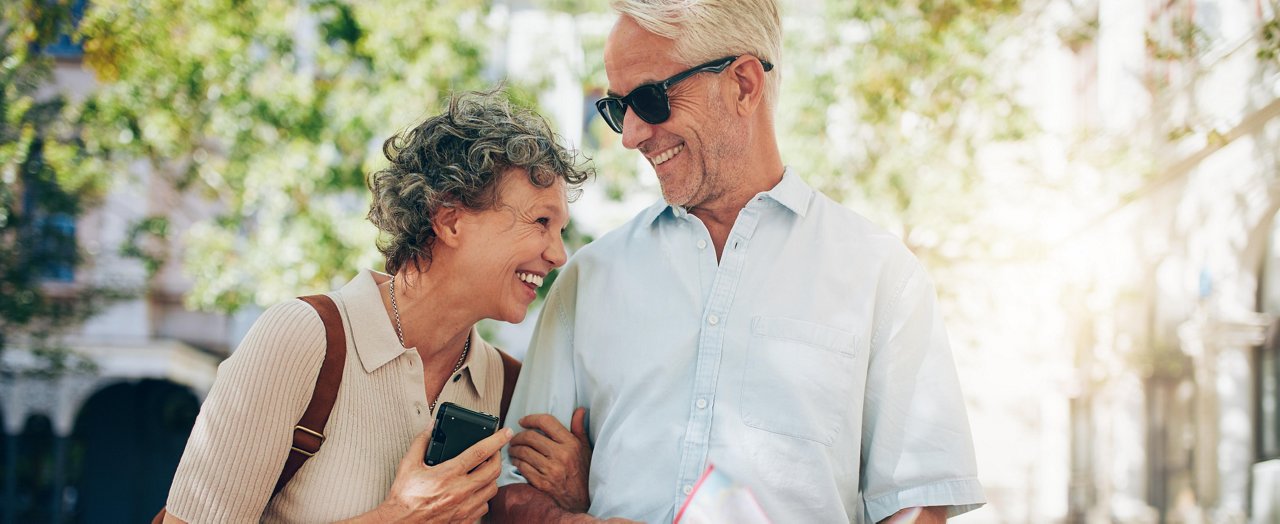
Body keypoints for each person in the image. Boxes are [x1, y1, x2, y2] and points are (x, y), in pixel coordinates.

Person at [489, 1, 986, 522]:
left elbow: (915, 508)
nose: (630, 135)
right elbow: (512, 491)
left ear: (744, 85)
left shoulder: (882, 276)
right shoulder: (588, 278)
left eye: (650, 100)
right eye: (618, 108)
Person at [161, 90, 592, 523]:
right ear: (449, 220)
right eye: (540, 222)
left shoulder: (507, 386)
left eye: (559, 230)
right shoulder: (304, 338)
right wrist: (398, 516)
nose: (558, 255)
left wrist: (574, 495)